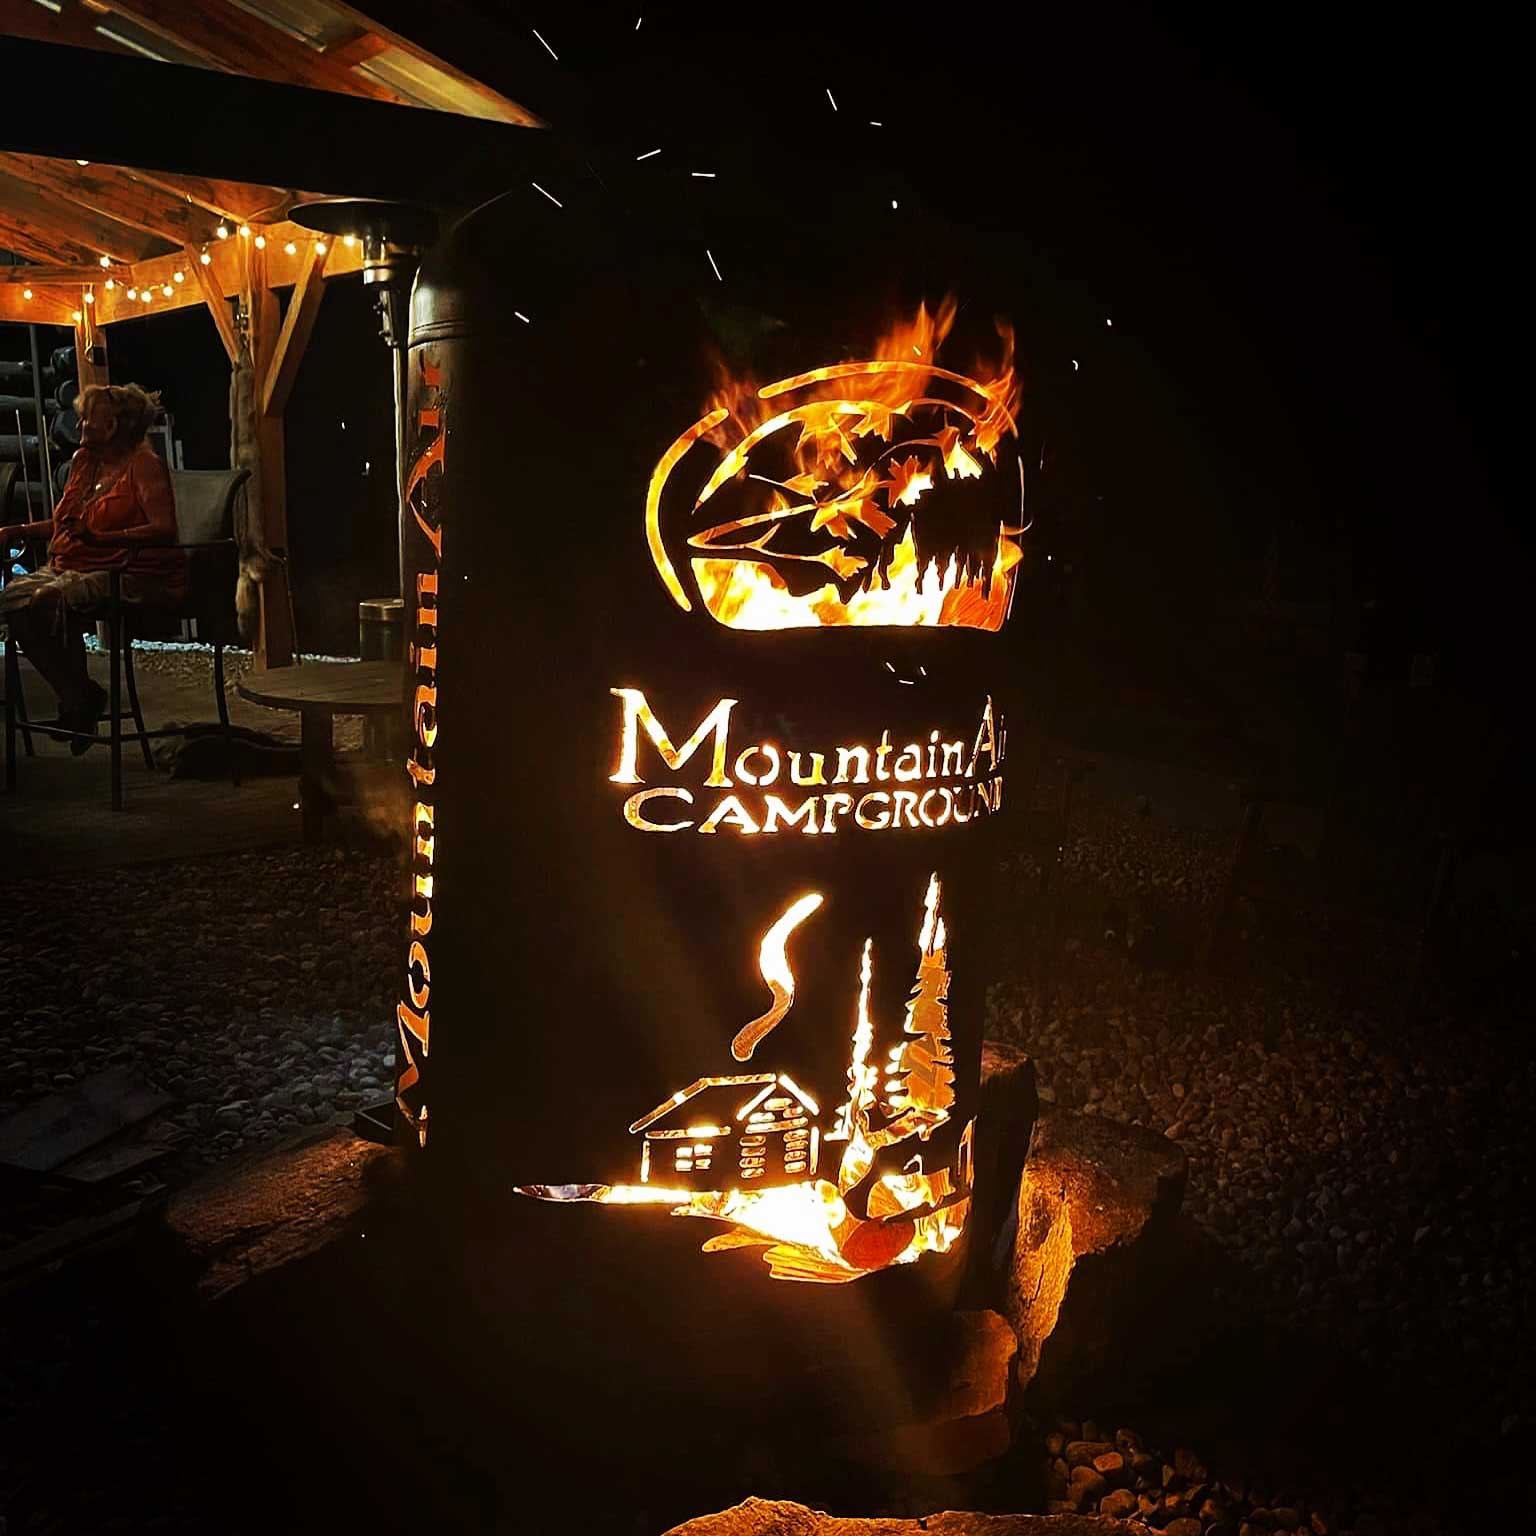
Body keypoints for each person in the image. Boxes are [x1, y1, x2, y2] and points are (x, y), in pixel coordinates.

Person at [0, 383, 180, 751]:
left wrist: (101, 539)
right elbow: (66, 523)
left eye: (87, 419)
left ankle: (77, 701)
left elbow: (164, 528)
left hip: (127, 571)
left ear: (112, 426)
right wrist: (18, 530)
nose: (79, 425)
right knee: (13, 601)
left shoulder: (144, 466)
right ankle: (79, 694)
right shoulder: (84, 462)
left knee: (48, 600)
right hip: (72, 565)